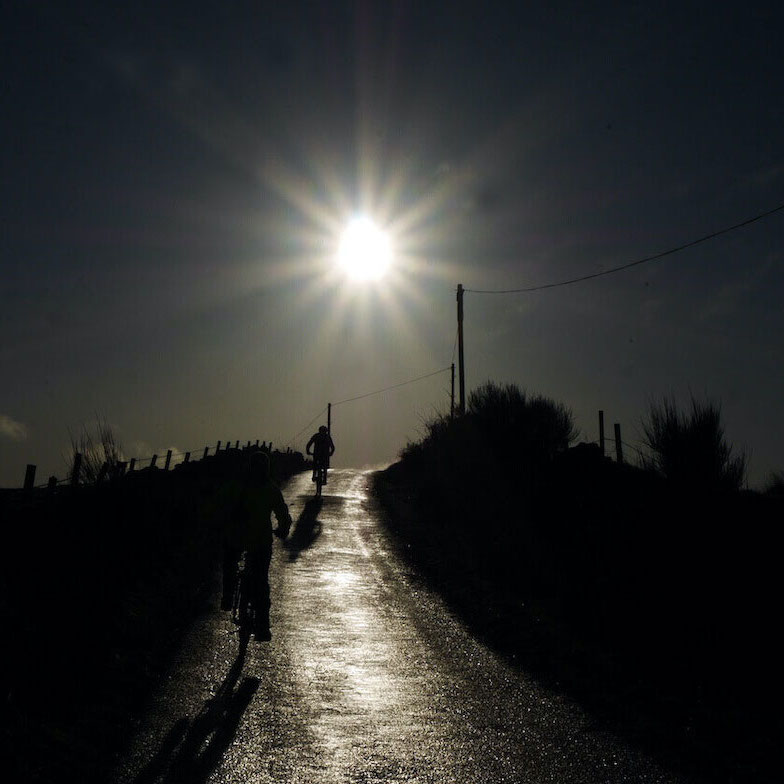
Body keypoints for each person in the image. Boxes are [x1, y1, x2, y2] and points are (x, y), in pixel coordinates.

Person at [221, 450, 291, 641]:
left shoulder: (239, 486)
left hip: (238, 538)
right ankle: (262, 625)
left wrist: (222, 527)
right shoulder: (271, 488)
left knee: (230, 565)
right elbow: (282, 513)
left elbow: (224, 507)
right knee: (261, 581)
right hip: (261, 540)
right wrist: (283, 529)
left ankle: (227, 597)